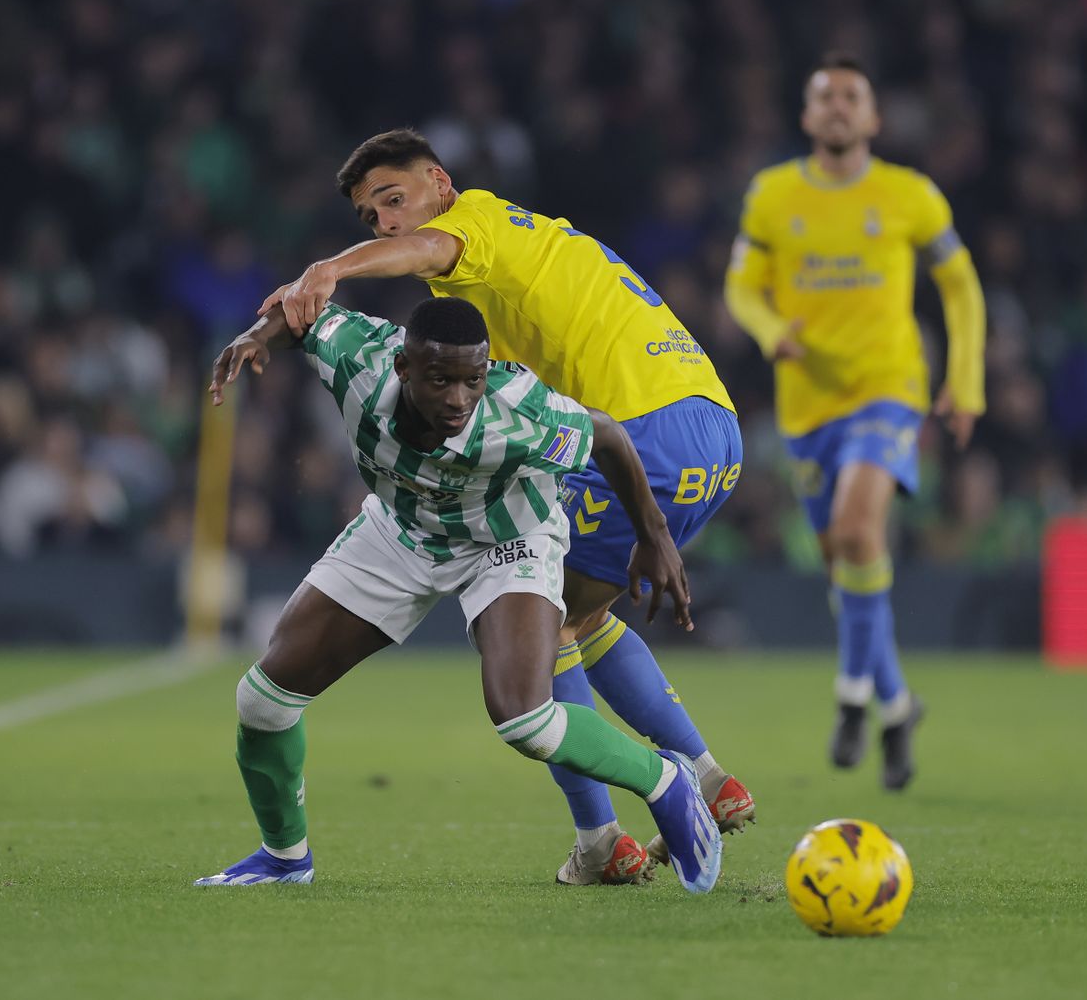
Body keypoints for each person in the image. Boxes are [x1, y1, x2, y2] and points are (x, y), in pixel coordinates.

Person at [257, 130, 754, 884]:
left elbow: (428, 251)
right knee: (581, 622)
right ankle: (710, 780)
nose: (388, 224)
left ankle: (605, 837)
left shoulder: (475, 226)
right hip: (711, 425)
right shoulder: (512, 247)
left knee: (537, 633)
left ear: (440, 183)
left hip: (642, 428)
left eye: (395, 200)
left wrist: (327, 269)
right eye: (370, 218)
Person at [194, 297, 722, 893]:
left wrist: (653, 534)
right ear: (402, 367)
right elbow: (300, 314)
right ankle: (285, 860)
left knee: (526, 720)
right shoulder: (359, 358)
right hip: (401, 531)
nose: (457, 399)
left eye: (472, 379)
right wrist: (257, 335)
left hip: (509, 538)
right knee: (263, 703)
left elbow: (607, 435)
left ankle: (666, 782)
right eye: (440, 379)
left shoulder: (517, 411)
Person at [724, 53, 986, 790]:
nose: (838, 107)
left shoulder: (909, 195)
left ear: (873, 118)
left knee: (858, 530)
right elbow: (741, 284)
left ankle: (850, 699)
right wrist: (767, 326)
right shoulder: (772, 196)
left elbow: (960, 286)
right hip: (807, 404)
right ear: (807, 117)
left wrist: (965, 380)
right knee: (846, 563)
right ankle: (897, 704)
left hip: (889, 388)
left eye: (852, 97)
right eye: (824, 97)